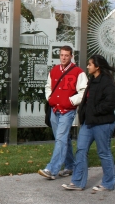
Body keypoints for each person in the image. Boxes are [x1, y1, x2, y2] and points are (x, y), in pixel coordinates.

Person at [62, 54, 115, 191]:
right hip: (88, 123)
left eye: (90, 64)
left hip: (103, 124)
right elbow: (86, 101)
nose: (87, 66)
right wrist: (84, 113)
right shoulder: (92, 81)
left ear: (97, 67)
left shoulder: (107, 82)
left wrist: (93, 111)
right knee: (81, 150)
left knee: (104, 152)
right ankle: (77, 182)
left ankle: (108, 183)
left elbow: (110, 104)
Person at [38, 46, 87, 180]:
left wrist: (72, 101)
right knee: (63, 139)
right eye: (61, 55)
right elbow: (48, 86)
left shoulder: (78, 72)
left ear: (71, 56)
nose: (64, 57)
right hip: (54, 110)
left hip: (67, 111)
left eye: (66, 55)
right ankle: (70, 165)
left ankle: (51, 169)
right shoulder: (54, 71)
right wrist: (49, 98)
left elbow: (84, 91)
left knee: (60, 138)